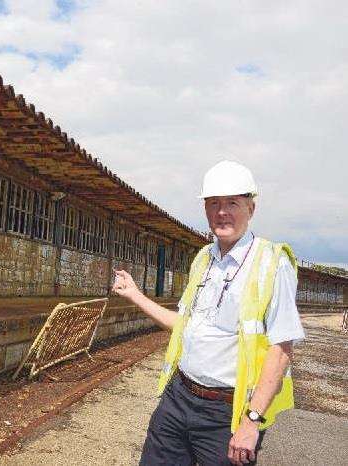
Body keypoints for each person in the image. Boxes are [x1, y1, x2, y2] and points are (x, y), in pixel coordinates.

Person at [113, 160, 305, 466]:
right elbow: (183, 326)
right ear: (205, 208)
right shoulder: (204, 258)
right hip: (179, 397)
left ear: (250, 209)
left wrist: (251, 421)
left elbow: (281, 349)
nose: (222, 212)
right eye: (214, 203)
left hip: (227, 413)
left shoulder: (271, 263)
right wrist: (136, 295)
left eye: (232, 203)